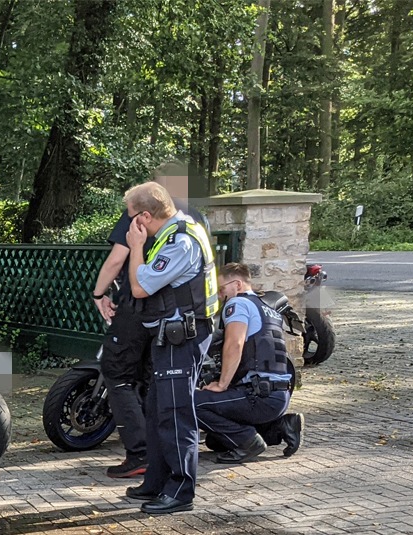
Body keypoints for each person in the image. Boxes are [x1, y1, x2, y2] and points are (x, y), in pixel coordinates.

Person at [91, 162, 209, 478]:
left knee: (117, 372)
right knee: (153, 383)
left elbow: (121, 263)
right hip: (167, 321)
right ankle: (157, 464)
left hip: (142, 311)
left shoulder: (145, 218)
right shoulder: (193, 219)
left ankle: (141, 453)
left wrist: (99, 293)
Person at [120, 182, 218, 514]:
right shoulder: (173, 231)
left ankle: (180, 490)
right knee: (157, 408)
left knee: (175, 413)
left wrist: (135, 246)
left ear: (145, 216)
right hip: (171, 334)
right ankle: (157, 481)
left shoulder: (181, 241)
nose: (130, 223)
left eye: (132, 217)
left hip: (183, 336)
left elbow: (139, 286)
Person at [194, 263, 303, 464]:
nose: (219, 295)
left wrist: (222, 384)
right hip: (277, 395)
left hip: (258, 396)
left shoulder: (238, 305)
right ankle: (280, 426)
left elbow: (234, 344)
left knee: (192, 404)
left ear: (236, 284)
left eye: (221, 289)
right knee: (215, 441)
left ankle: (248, 443)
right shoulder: (266, 307)